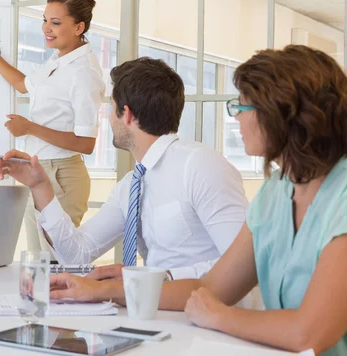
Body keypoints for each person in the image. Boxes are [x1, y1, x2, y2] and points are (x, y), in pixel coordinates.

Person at [47, 46, 347, 355]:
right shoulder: (275, 195)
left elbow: (309, 334)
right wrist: (100, 290)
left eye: (241, 108)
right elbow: (210, 289)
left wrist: (220, 316)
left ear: (280, 113)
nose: (236, 119)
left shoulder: (342, 197)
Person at [0, 56, 248, 282]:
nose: (107, 118)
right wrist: (40, 186)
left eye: (111, 108)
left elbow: (245, 262)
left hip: (205, 321)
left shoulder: (201, 166)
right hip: (156, 316)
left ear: (126, 114)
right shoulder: (131, 185)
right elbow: (77, 254)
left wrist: (159, 278)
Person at [0, 0, 105, 253]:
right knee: (38, 259)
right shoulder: (58, 60)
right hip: (41, 170)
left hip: (63, 175)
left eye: (55, 22)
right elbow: (22, 84)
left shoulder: (84, 73)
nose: (46, 28)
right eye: (44, 20)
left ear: (79, 27)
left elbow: (87, 143)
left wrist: (30, 128)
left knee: (53, 264)